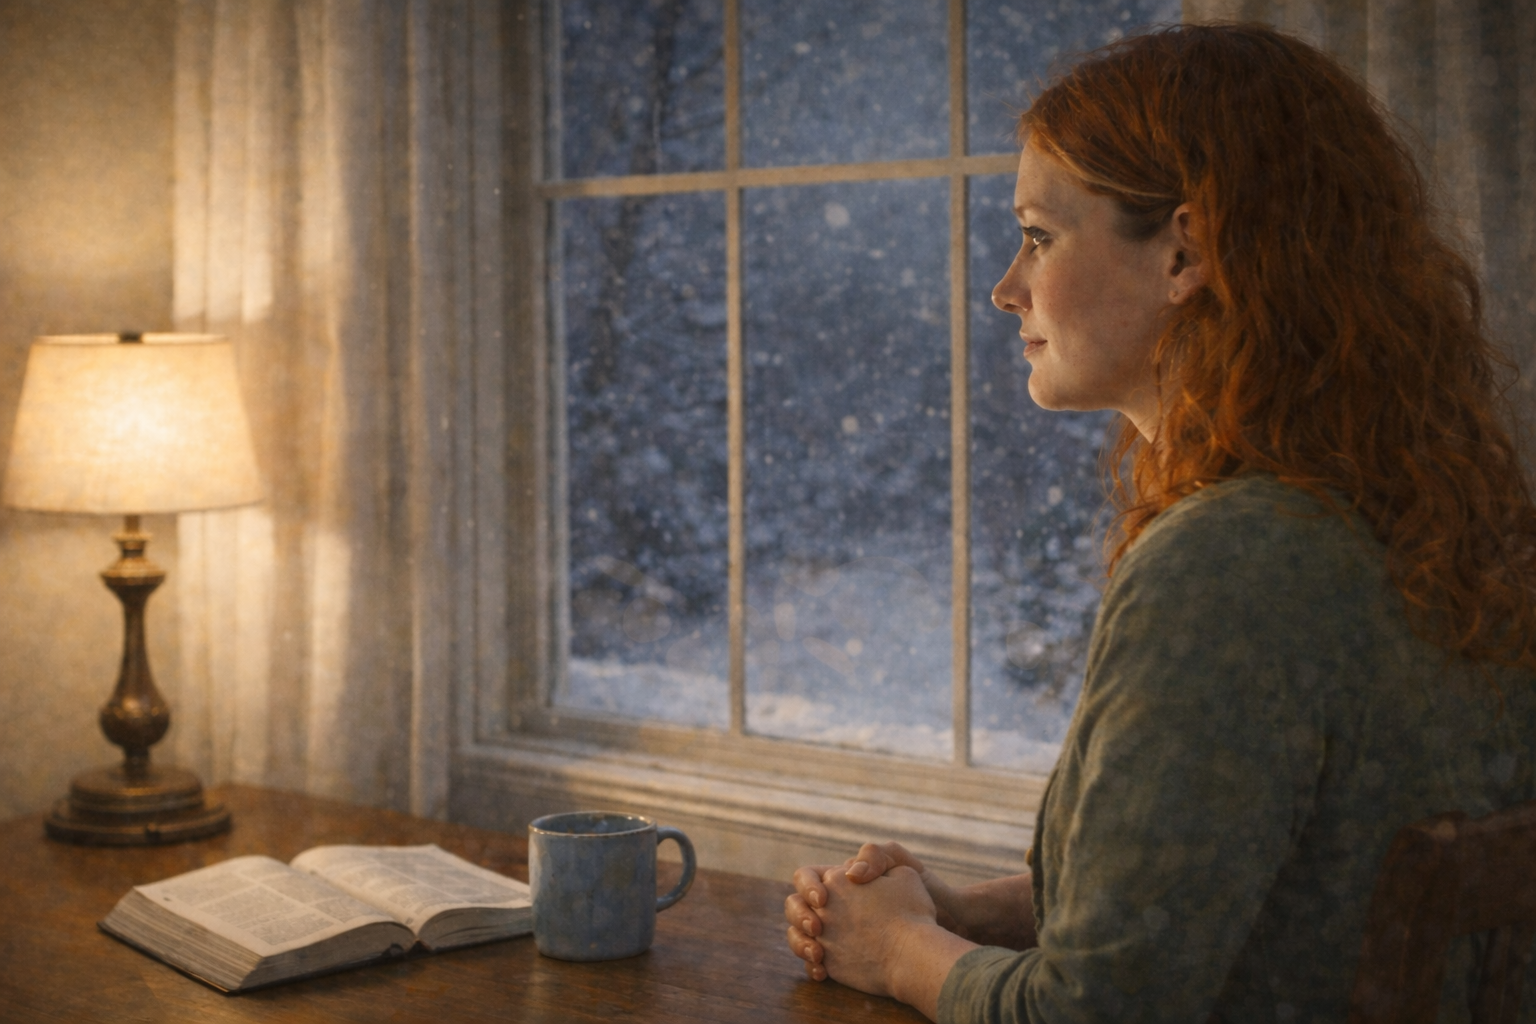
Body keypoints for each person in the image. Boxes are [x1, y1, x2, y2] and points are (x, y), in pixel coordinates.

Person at [783, 22, 1536, 1023]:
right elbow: (1271, 884)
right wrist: (965, 912)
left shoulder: (1230, 564)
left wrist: (903, 952)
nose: (1008, 289)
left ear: (1184, 251)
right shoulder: (1417, 513)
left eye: (1040, 237)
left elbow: (1089, 1011)